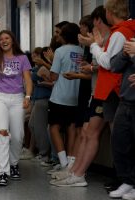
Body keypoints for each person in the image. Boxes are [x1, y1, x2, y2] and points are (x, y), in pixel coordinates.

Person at [78, 0, 135, 194]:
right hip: (119, 89)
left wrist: (94, 46)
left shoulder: (120, 32)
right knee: (119, 137)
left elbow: (108, 63)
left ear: (110, 13)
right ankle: (124, 179)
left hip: (114, 89)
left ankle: (123, 178)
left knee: (120, 137)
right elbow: (116, 60)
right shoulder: (123, 30)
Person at [50, 6, 111, 187]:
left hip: (97, 94)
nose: (83, 31)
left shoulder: (105, 41)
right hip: (88, 94)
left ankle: (74, 171)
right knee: (81, 131)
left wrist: (87, 67)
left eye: (86, 27)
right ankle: (74, 170)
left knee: (82, 132)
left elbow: (106, 64)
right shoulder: (85, 48)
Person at [0, 30, 32, 186]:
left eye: (7, 38)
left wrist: (27, 97)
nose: (3, 41)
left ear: (12, 41)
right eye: (1, 39)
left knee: (18, 135)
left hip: (18, 98)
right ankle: (3, 172)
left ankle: (14, 163)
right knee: (2, 132)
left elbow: (28, 80)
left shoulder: (22, 58)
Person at [47, 23, 83, 174]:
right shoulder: (82, 51)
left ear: (64, 36)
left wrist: (49, 61)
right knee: (71, 129)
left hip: (59, 97)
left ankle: (63, 163)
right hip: (75, 97)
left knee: (54, 127)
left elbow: (53, 76)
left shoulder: (60, 51)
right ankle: (70, 165)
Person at [109, 36, 135, 200]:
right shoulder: (131, 41)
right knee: (119, 142)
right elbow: (114, 67)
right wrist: (125, 54)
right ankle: (127, 181)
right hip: (125, 101)